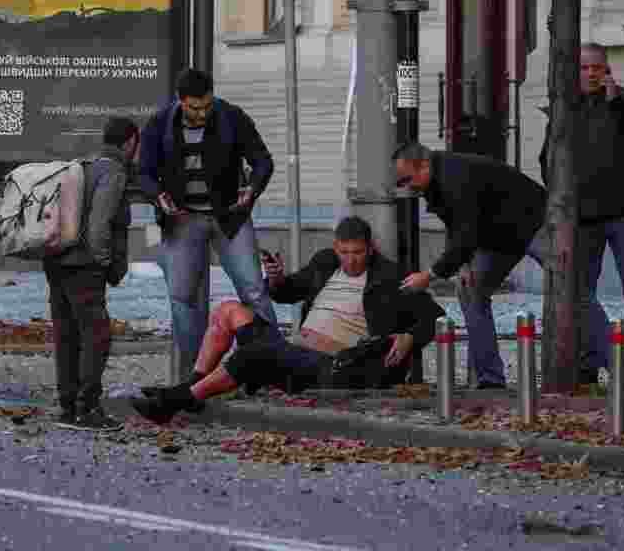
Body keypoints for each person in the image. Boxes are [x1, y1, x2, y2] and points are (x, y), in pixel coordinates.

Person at [129, 216, 445, 425]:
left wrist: (408, 338)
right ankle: (192, 388)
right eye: (345, 252)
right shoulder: (325, 263)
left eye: (358, 253)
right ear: (336, 247)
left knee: (256, 354)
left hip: (332, 365)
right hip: (295, 352)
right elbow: (287, 292)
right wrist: (277, 280)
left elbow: (434, 318)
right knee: (228, 310)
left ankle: (177, 400)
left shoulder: (390, 276)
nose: (350, 260)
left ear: (370, 248)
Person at [393, 141, 613, 390]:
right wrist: (464, 265)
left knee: (573, 289)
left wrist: (430, 275)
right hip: (497, 236)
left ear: (424, 165)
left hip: (534, 224)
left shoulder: (455, 177)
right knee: (470, 289)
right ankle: (490, 379)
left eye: (407, 180)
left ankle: (619, 369)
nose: (406, 188)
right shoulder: (436, 181)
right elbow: (459, 229)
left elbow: (465, 234)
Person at [139, 68, 278, 371]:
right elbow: (145, 172)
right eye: (194, 107)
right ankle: (197, 374)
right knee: (183, 297)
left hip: (229, 217)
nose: (201, 114)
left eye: (206, 106)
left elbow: (263, 161)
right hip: (182, 220)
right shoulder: (160, 123)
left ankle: (273, 366)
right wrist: (158, 195)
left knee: (253, 289)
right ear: (180, 101)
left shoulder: (231, 116)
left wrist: (252, 189)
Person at [539, 43, 624, 381]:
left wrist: (616, 102)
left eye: (597, 68)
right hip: (584, 219)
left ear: (607, 70)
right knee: (582, 294)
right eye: (585, 68)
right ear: (575, 72)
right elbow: (548, 160)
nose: (591, 74)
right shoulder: (567, 109)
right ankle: (589, 362)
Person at [46, 116, 139, 431]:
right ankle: (88, 409)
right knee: (96, 336)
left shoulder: (83, 167)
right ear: (130, 143)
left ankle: (67, 408)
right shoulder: (113, 171)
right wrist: (102, 263)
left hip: (57, 262)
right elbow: (100, 225)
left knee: (67, 335)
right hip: (84, 267)